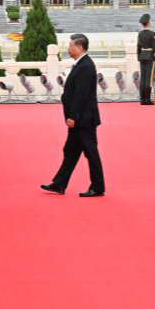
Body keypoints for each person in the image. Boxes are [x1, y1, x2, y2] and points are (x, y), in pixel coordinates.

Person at [42, 34, 106, 197]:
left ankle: (98, 187)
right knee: (70, 151)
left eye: (71, 46)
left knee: (91, 152)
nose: (69, 49)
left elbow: (81, 95)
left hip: (83, 119)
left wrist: (72, 116)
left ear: (80, 48)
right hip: (79, 118)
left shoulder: (85, 66)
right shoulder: (80, 64)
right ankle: (59, 184)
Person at [137, 14, 155, 105]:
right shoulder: (152, 34)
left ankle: (142, 99)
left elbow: (138, 47)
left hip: (142, 56)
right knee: (148, 79)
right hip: (150, 57)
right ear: (148, 22)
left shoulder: (140, 34)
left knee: (143, 78)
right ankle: (147, 100)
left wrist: (139, 57)